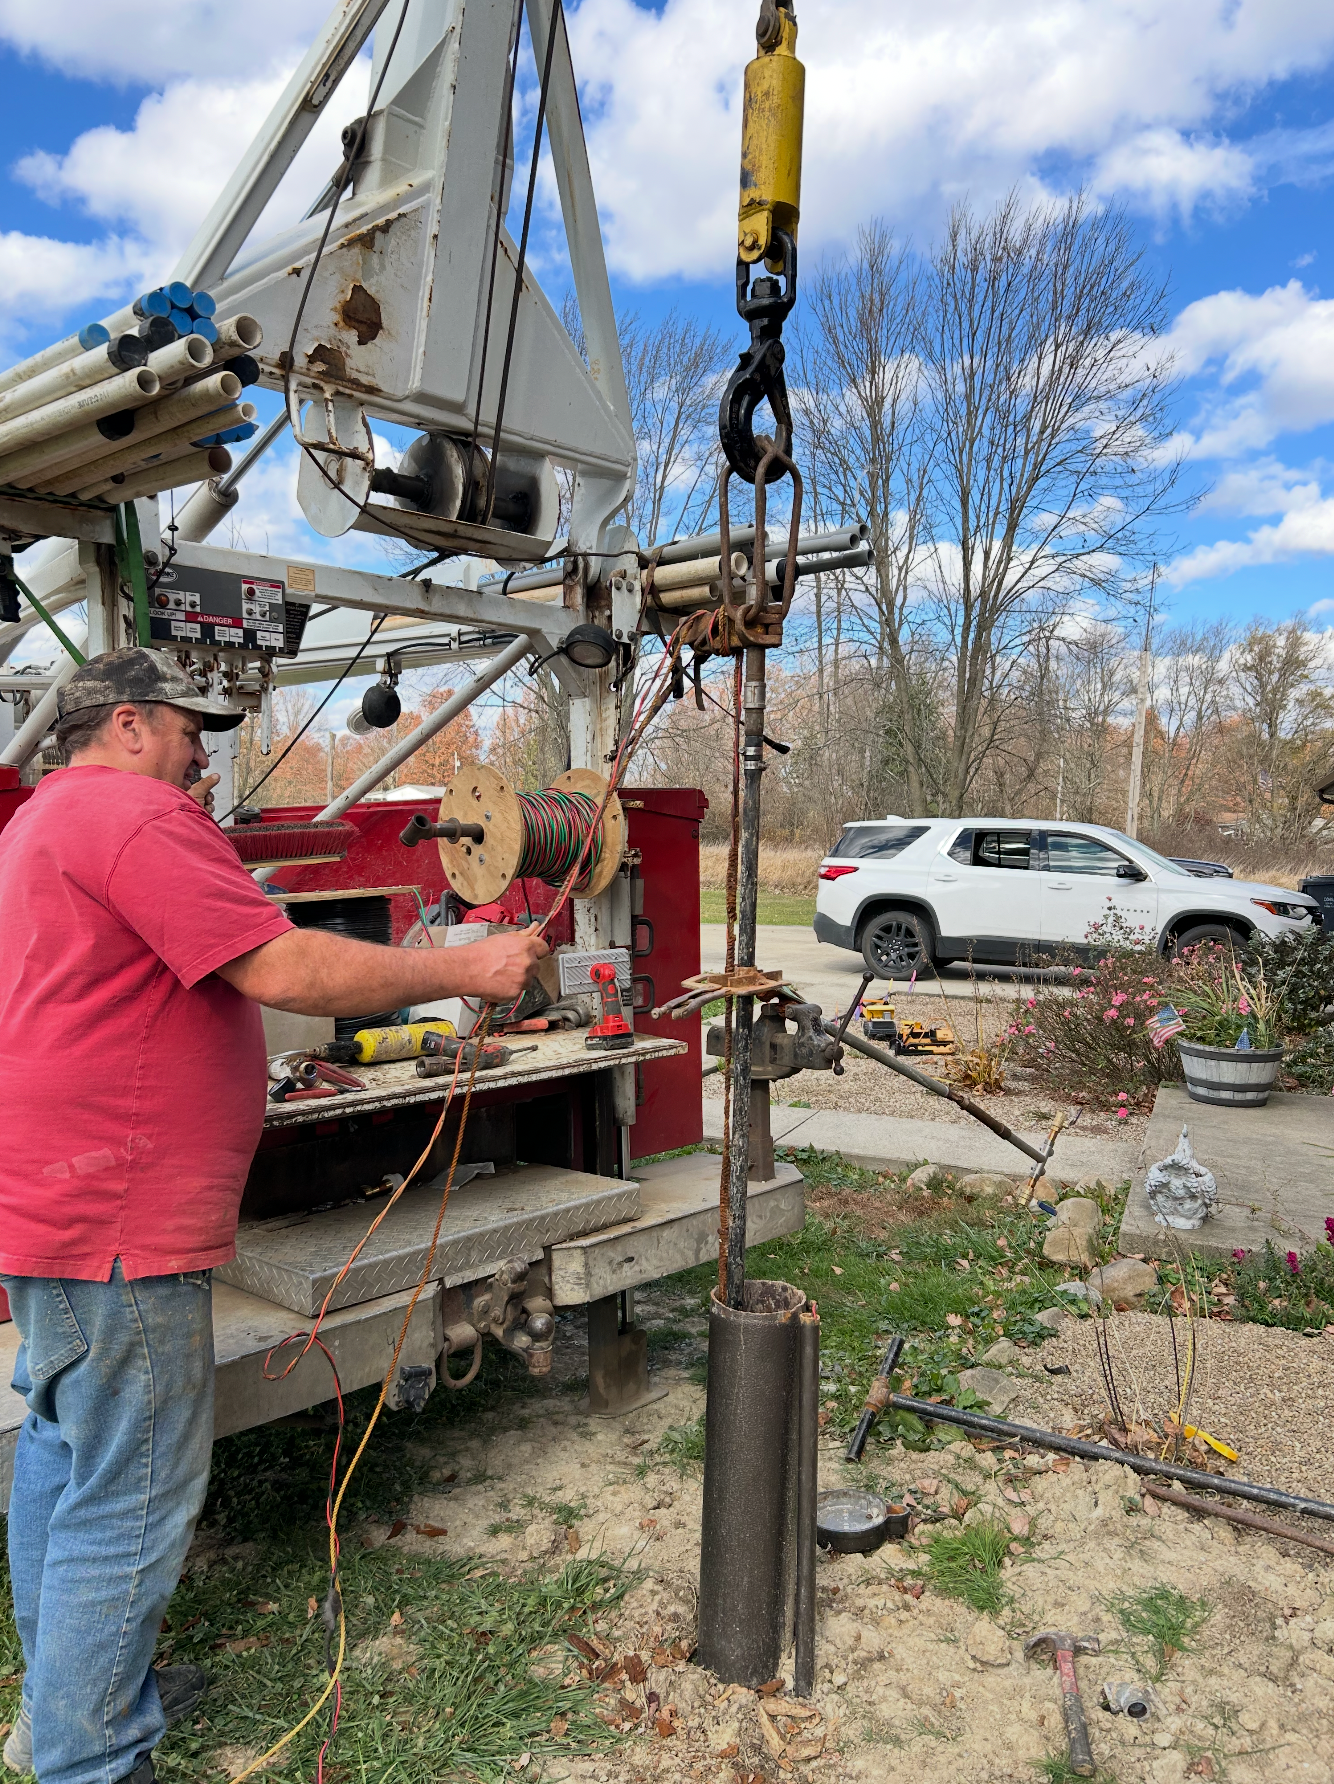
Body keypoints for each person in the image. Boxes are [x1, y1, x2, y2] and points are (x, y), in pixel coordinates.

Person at [0, 648, 547, 1784]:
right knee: (131, 1484)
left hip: (52, 1201)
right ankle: (90, 1756)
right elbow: (285, 966)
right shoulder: (134, 818)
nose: (203, 753)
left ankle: (70, 1696)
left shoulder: (41, 823)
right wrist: (467, 962)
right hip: (118, 1213)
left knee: (64, 1450)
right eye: (190, 728)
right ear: (130, 724)